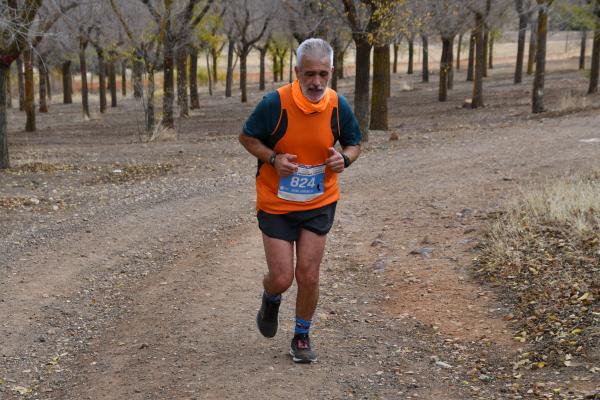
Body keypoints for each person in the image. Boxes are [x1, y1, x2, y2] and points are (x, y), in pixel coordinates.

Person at [239, 38, 361, 363]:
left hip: (319, 202)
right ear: (297, 72)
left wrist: (344, 160)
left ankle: (301, 336)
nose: (316, 82)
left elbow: (354, 143)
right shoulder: (274, 103)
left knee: (308, 275)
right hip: (277, 203)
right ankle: (271, 297)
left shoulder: (337, 105)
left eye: (323, 74)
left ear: (332, 72)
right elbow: (247, 136)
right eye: (309, 74)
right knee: (282, 277)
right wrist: (273, 158)